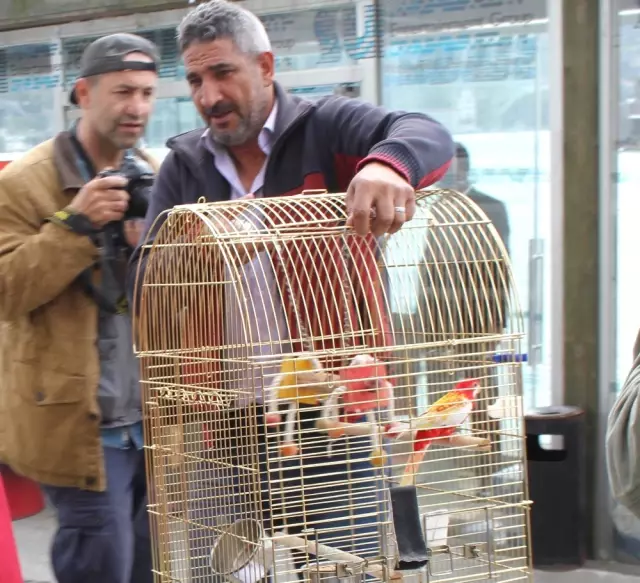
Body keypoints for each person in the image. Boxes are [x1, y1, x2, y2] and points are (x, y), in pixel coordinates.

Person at [129, 0, 454, 579]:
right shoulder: (184, 165)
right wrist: (198, 254)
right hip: (225, 418)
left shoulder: (324, 128)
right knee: (219, 569)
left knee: (341, 567)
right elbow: (145, 280)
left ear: (266, 66)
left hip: (331, 412)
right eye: (196, 80)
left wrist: (389, 165)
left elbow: (426, 134)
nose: (209, 97)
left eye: (223, 73)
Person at [0, 33, 160, 583]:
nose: (136, 107)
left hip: (152, 420)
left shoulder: (152, 171)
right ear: (84, 93)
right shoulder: (25, 182)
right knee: (102, 564)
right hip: (77, 423)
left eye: (145, 92)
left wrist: (155, 249)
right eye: (122, 92)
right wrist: (75, 226)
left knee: (146, 567)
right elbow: (5, 290)